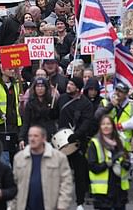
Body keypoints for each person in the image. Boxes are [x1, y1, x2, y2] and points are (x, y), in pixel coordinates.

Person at [11, 125, 73, 210]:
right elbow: (14, 186)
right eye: (30, 136)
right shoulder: (19, 158)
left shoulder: (58, 157)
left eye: (36, 136)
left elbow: (66, 183)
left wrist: (62, 205)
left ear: (44, 138)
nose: (32, 139)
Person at [56, 77, 96, 210]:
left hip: (78, 142)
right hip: (61, 142)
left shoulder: (85, 104)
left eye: (72, 84)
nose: (68, 86)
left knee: (79, 173)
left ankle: (79, 202)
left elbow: (87, 122)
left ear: (78, 88)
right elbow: (54, 115)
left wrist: (76, 135)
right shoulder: (61, 98)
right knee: (61, 172)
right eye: (68, 83)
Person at [87, 115, 131, 210]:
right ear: (100, 127)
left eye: (108, 124)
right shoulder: (95, 143)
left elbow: (126, 160)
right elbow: (93, 167)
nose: (106, 127)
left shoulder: (120, 141)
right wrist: (110, 162)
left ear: (113, 126)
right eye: (103, 124)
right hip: (103, 192)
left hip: (119, 189)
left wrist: (126, 164)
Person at [0, 65, 23, 166]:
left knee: (14, 154)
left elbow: (17, 104)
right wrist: (0, 114)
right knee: (3, 155)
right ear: (2, 70)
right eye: (10, 69)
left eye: (13, 69)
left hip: (14, 124)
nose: (12, 71)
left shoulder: (16, 84)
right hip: (1, 125)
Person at [95, 82, 133, 155]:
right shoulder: (105, 102)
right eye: (116, 90)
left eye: (121, 92)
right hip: (107, 145)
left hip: (125, 147)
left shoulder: (132, 107)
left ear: (126, 94)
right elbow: (97, 116)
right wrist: (111, 105)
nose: (117, 93)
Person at [19, 77, 58, 148]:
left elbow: (56, 118)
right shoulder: (30, 103)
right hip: (35, 134)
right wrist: (21, 138)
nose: (40, 89)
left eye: (42, 86)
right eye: (38, 86)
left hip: (48, 135)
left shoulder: (52, 101)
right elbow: (26, 122)